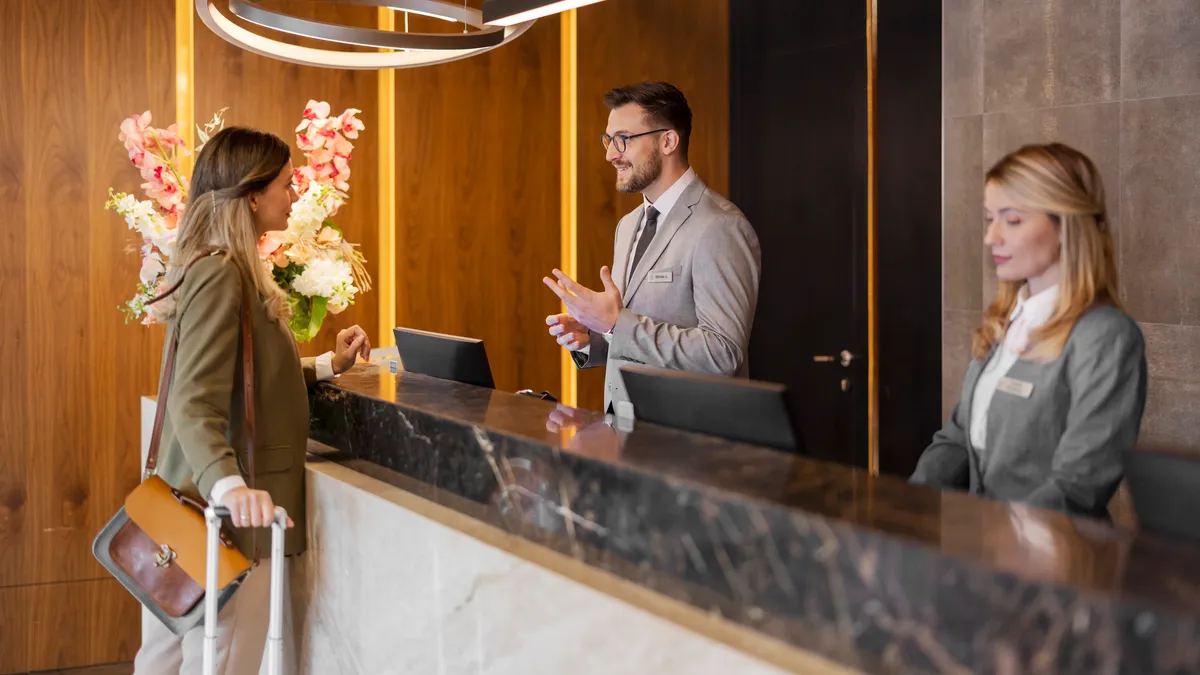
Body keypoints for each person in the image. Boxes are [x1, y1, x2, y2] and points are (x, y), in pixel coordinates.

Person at [134, 127, 371, 674]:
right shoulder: (222, 274)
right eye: (287, 185)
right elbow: (194, 403)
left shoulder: (220, 267)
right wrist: (232, 487)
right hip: (224, 518)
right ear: (252, 195)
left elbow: (247, 379)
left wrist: (328, 365)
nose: (296, 195)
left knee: (168, 661)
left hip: (188, 513)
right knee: (221, 661)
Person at [910, 142, 1147, 519]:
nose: (992, 237)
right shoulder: (1004, 321)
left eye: (1013, 220)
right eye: (990, 219)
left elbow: (1079, 484)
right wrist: (906, 509)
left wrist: (1004, 542)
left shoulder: (1106, 336)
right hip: (981, 554)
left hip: (1053, 563)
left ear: (1066, 226)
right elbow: (955, 441)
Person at [543, 82, 761, 414]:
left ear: (668, 141)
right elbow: (634, 332)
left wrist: (616, 324)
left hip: (688, 445)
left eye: (623, 140)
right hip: (627, 431)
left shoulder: (720, 226)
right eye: (608, 140)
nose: (610, 154)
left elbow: (723, 353)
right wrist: (596, 336)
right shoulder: (629, 225)